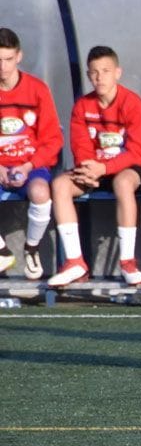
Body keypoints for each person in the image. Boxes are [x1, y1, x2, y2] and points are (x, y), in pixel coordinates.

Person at [47, 46, 141, 288]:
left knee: (123, 183)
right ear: (88, 75)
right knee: (60, 185)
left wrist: (104, 169)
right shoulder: (82, 106)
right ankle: (75, 262)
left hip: (130, 168)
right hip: (94, 169)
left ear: (117, 73)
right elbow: (80, 145)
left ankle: (127, 262)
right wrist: (88, 168)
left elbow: (137, 152)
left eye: (105, 71)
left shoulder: (134, 104)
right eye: (94, 72)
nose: (99, 77)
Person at [0, 27, 62, 280]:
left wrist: (28, 166)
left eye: (8, 59)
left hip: (30, 165)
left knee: (40, 192)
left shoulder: (37, 89)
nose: (2, 67)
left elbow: (53, 140)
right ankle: (2, 251)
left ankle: (32, 248)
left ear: (19, 56)